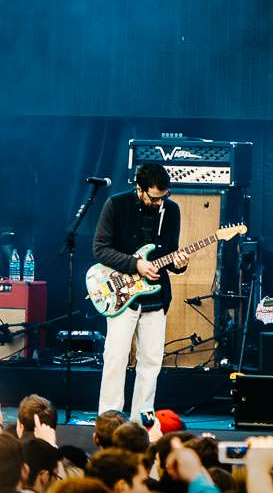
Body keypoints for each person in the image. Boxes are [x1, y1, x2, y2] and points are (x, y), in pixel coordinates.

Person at [94, 162, 184, 417]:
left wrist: (179, 264)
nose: (159, 203)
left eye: (163, 197)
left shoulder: (172, 211)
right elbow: (100, 249)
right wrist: (136, 265)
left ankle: (141, 421)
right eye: (154, 198)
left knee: (152, 363)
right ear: (140, 189)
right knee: (115, 360)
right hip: (122, 296)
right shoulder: (116, 204)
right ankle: (109, 419)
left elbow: (168, 254)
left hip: (156, 298)